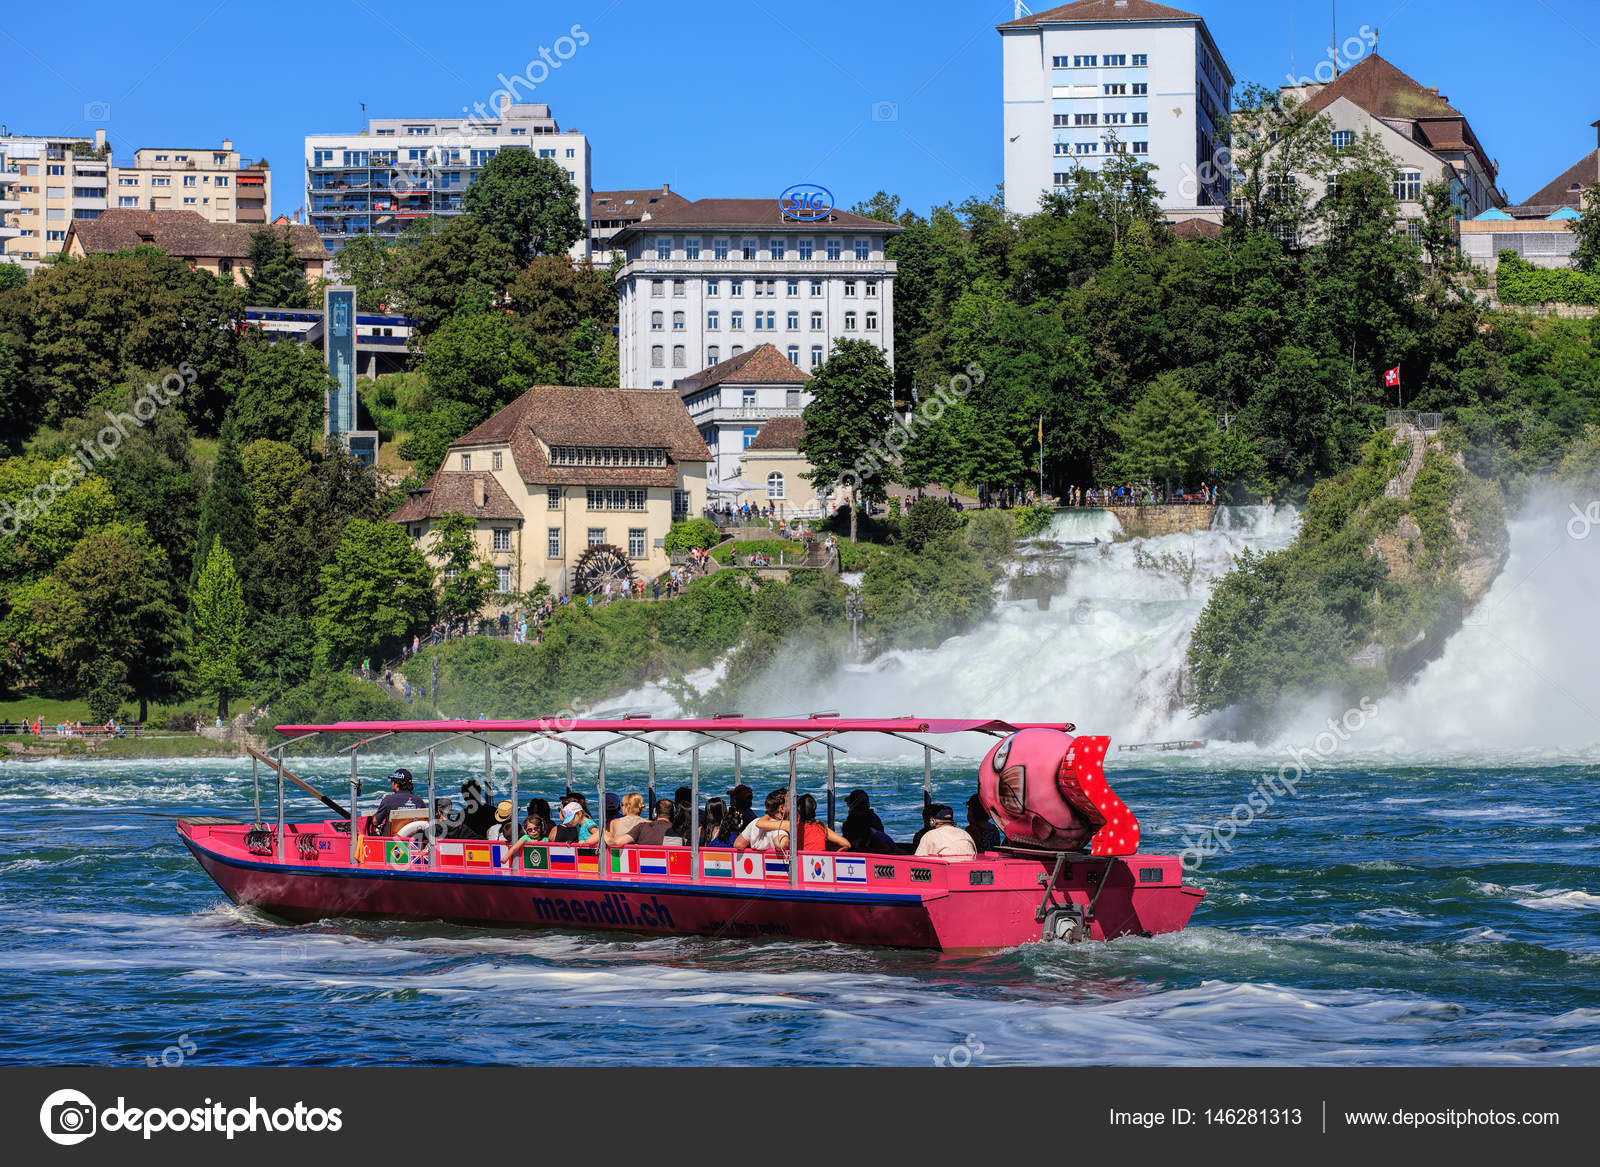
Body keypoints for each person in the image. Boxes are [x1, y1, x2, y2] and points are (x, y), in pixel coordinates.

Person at [370, 768, 424, 835]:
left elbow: (375, 822)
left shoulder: (388, 800)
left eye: (392, 781)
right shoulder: (419, 801)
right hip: (413, 840)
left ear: (396, 784)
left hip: (391, 842)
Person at [840, 789, 895, 853]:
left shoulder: (852, 822)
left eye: (848, 803)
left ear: (852, 805)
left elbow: (850, 844)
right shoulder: (874, 817)